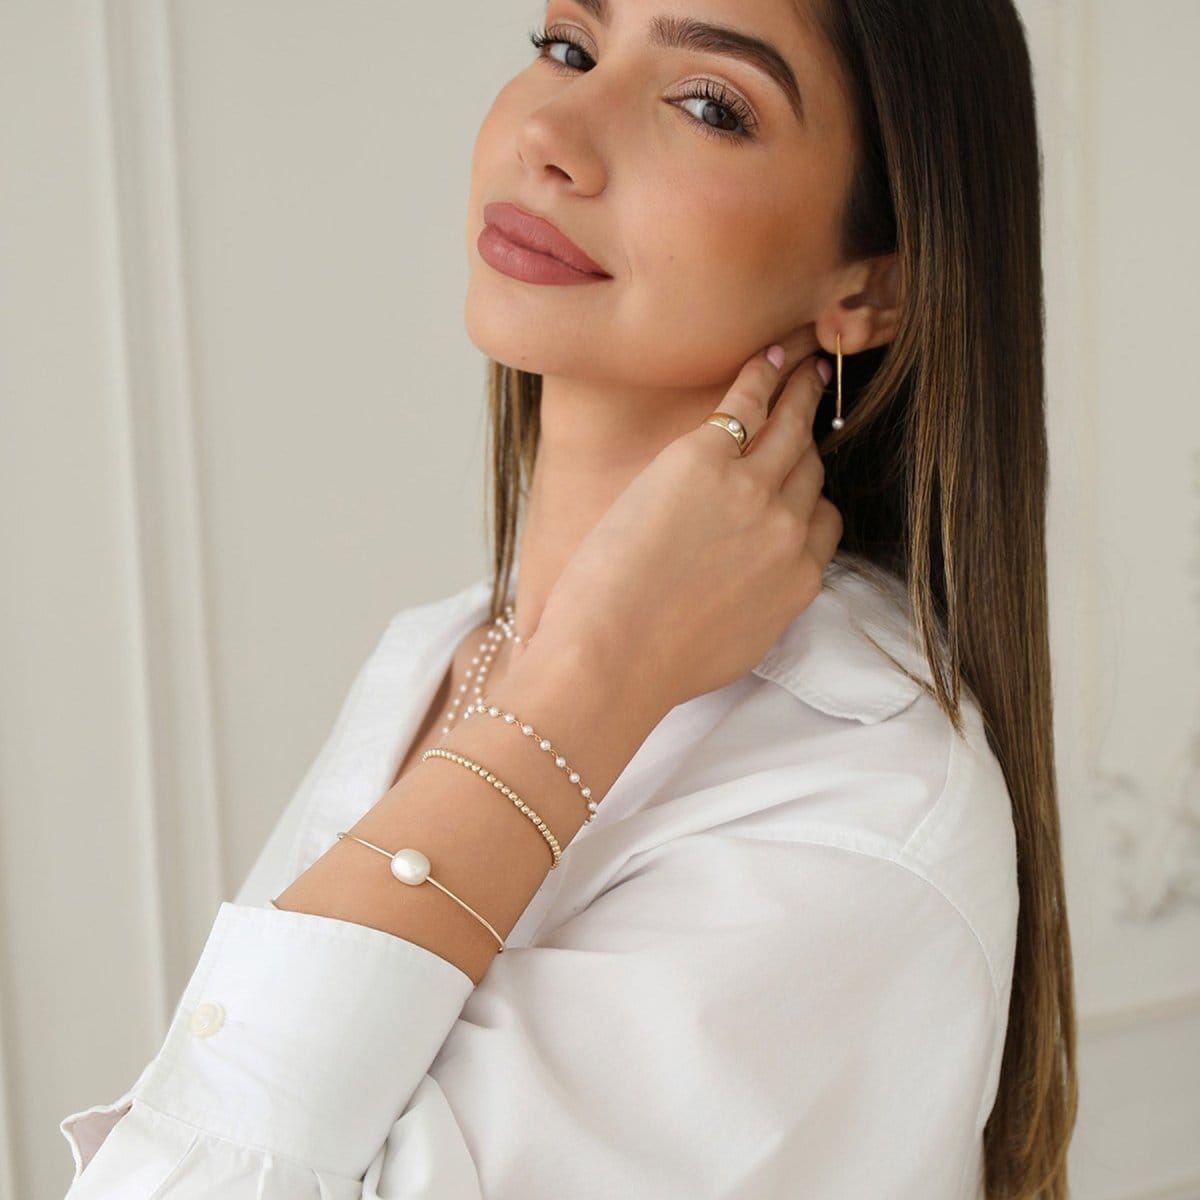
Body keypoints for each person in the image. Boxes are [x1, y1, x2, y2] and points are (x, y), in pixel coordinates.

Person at [58, 0, 1077, 1196]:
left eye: (710, 104)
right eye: (568, 47)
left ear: (874, 286)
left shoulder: (851, 809)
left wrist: (592, 686)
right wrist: (575, 676)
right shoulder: (443, 651)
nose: (555, 131)